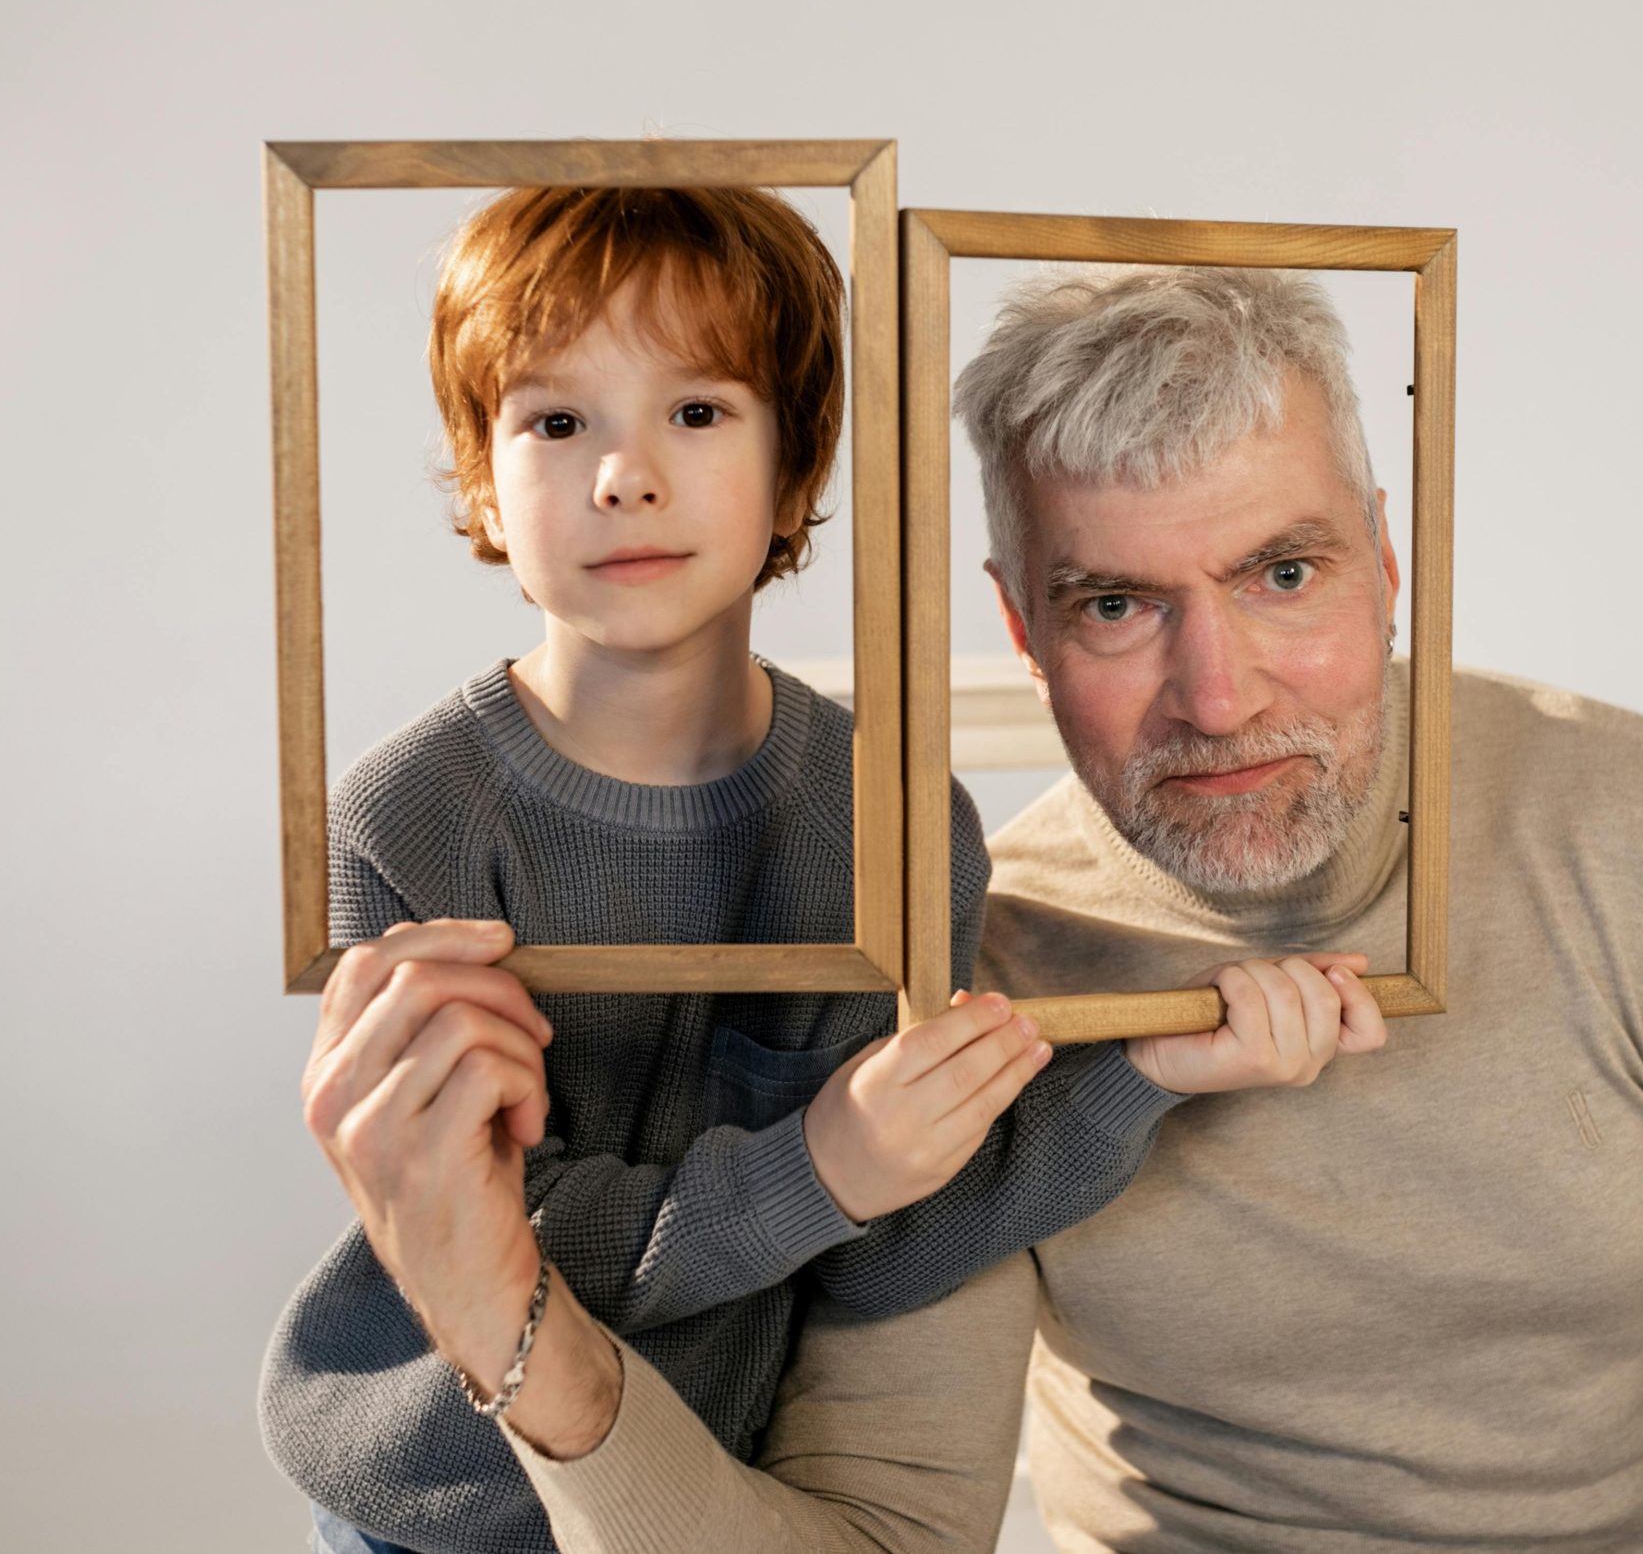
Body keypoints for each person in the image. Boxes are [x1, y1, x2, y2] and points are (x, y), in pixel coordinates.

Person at [260, 197, 1387, 1554]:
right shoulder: (409, 817)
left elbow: (884, 1253)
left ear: (797, 473)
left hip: (702, 1500)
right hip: (434, 1494)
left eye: (696, 412)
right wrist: (822, 1164)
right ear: (484, 478)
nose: (624, 475)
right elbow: (482, 1232)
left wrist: (1141, 1079)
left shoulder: (892, 819)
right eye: (557, 422)